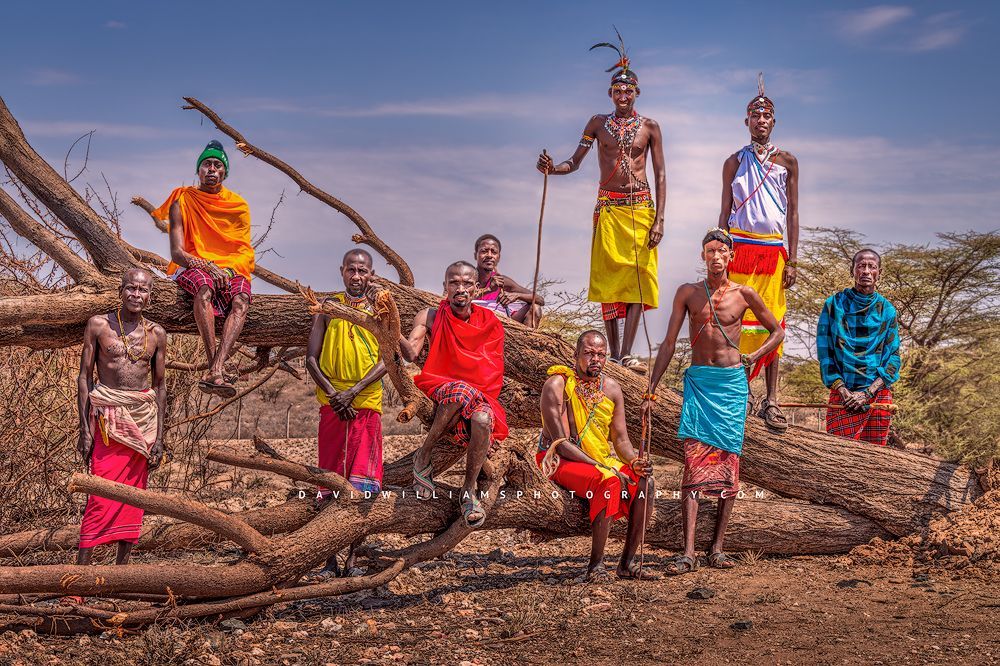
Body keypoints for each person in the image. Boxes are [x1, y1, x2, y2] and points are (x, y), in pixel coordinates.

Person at [642, 230, 783, 575]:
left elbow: (777, 331)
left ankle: (717, 549)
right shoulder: (688, 293)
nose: (716, 256)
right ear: (703, 256)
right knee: (692, 464)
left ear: (731, 256)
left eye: (721, 251)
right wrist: (651, 388)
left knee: (728, 466)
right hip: (700, 383)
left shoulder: (745, 293)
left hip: (732, 385)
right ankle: (688, 552)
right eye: (710, 251)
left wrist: (755, 356)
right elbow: (670, 342)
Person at [537, 34, 665, 372]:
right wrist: (553, 169)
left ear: (637, 93)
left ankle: (625, 353)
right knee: (609, 281)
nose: (623, 96)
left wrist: (660, 220)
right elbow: (575, 162)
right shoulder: (597, 123)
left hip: (641, 208)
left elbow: (661, 174)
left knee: (639, 278)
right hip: (608, 209)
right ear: (610, 94)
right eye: (617, 91)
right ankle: (611, 354)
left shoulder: (650, 127)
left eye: (629, 91)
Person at [537, 330, 654, 581]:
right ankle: (596, 566)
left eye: (601, 354)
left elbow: (621, 439)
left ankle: (627, 563)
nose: (596, 359)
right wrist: (605, 468)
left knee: (646, 482)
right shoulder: (557, 385)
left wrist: (634, 462)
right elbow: (561, 443)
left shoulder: (611, 388)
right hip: (557, 459)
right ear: (575, 354)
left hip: (598, 460)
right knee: (609, 481)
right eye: (589, 353)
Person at [718, 74, 799, 432]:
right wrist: (718, 252)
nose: (761, 121)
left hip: (771, 252)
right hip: (739, 249)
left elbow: (793, 212)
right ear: (746, 121)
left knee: (774, 322)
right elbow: (723, 211)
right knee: (734, 320)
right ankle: (738, 393)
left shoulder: (788, 161)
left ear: (773, 122)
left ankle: (772, 401)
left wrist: (792, 259)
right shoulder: (734, 161)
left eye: (766, 117)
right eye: (755, 116)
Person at [399, 261, 508, 527]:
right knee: (460, 391)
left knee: (483, 420)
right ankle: (424, 454)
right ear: (445, 286)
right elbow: (410, 353)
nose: (460, 288)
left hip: (479, 394)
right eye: (454, 283)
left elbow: (492, 368)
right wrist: (389, 329)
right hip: (443, 385)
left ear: (476, 288)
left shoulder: (490, 322)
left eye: (467, 283)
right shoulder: (431, 316)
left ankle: (468, 491)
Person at [76, 268, 167, 566]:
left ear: (150, 296)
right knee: (99, 499)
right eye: (131, 288)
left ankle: (120, 575)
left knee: (133, 499)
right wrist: (84, 430)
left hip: (143, 424)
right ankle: (78, 580)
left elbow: (160, 386)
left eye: (142, 290)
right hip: (106, 421)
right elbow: (84, 378)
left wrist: (160, 440)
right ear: (121, 290)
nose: (136, 295)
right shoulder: (99, 325)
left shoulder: (157, 334)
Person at [306, 248, 387, 576]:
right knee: (330, 480)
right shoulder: (327, 308)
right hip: (331, 405)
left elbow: (388, 360)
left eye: (362, 271)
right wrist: (334, 393)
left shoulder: (381, 311)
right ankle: (329, 560)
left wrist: (353, 392)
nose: (357, 276)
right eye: (351, 270)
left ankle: (353, 558)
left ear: (371, 275)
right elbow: (312, 358)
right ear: (342, 271)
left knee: (363, 484)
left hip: (365, 405)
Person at [154, 139, 254, 398]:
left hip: (230, 268)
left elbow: (243, 251)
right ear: (198, 170)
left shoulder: (238, 206)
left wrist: (229, 272)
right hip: (192, 264)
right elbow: (177, 252)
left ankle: (215, 369)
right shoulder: (182, 199)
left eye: (218, 165)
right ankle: (216, 368)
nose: (212, 169)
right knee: (204, 287)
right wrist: (208, 265)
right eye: (207, 164)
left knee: (242, 298)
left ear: (225, 172)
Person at [817, 249, 901, 446]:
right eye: (861, 266)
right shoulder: (834, 305)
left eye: (872, 267)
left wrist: (867, 394)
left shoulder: (887, 310)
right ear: (852, 270)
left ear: (879, 273)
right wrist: (845, 393)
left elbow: (893, 358)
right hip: (843, 394)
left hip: (877, 395)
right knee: (839, 456)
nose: (866, 271)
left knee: (874, 460)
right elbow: (825, 353)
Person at [471, 234, 544, 328]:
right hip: (474, 323)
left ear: (498, 257)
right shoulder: (465, 278)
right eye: (484, 251)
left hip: (503, 325)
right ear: (475, 255)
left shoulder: (503, 281)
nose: (489, 255)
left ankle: (528, 339)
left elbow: (540, 299)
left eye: (494, 252)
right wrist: (488, 289)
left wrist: (517, 295)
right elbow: (450, 301)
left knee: (535, 308)